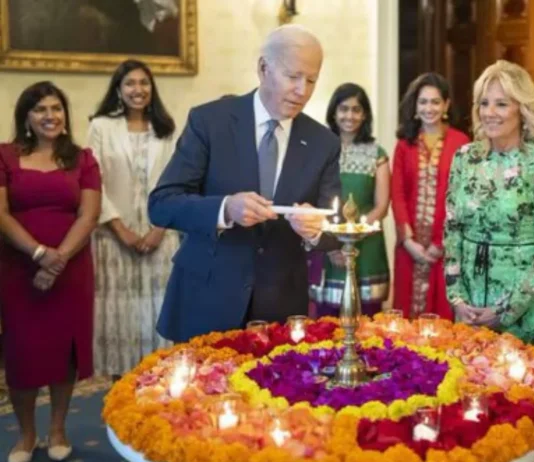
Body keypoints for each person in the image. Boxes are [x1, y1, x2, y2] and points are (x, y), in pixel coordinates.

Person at [148, 24, 341, 342]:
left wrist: (317, 230)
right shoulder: (209, 121)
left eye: (311, 80)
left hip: (280, 309)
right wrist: (224, 208)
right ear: (264, 68)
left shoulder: (324, 143)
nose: (302, 91)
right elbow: (162, 204)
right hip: (207, 297)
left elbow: (335, 228)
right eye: (293, 77)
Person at [0, 81, 101, 462]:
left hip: (71, 268)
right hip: (18, 269)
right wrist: (39, 254)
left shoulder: (83, 158)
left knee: (65, 353)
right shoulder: (5, 156)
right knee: (22, 353)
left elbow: (88, 215)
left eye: (56, 108)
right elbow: (1, 214)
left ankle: (58, 429)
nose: (50, 116)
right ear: (26, 116)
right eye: (40, 109)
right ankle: (26, 434)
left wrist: (56, 261)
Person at [443, 60, 534, 348]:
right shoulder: (464, 158)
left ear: (522, 110)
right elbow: (451, 231)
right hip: (471, 308)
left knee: (529, 391)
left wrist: (508, 309)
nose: (489, 113)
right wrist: (457, 298)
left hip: (528, 309)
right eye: (484, 103)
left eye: (501, 104)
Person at [88, 59, 179, 377]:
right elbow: (93, 181)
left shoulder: (166, 130)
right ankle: (120, 395)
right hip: (114, 239)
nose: (137, 90)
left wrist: (158, 229)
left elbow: (176, 181)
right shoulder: (101, 126)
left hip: (160, 237)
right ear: (118, 89)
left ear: (152, 89)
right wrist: (120, 230)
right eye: (130, 83)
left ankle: (161, 396)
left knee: (157, 319)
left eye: (144, 83)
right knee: (121, 319)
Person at [390, 73, 470, 320]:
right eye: (423, 102)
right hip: (410, 248)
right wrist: (409, 241)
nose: (429, 108)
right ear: (415, 105)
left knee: (442, 316)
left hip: (446, 249)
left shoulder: (462, 143)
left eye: (435, 102)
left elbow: (462, 196)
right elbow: (398, 193)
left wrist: (440, 243)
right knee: (406, 319)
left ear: (446, 105)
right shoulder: (405, 144)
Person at [309, 83, 391, 317]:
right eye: (343, 109)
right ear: (333, 112)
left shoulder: (377, 153)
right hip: (327, 245)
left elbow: (382, 206)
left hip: (366, 245)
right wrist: (333, 244)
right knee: (326, 323)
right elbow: (313, 199)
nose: (350, 116)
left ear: (365, 115)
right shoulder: (320, 150)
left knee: (367, 323)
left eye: (356, 110)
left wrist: (352, 237)